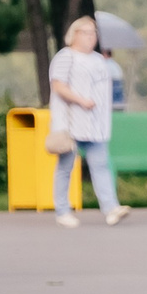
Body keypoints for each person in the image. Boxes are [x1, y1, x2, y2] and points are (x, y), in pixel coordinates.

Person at [48, 15, 124, 227]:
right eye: (87, 33)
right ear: (75, 35)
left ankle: (110, 208)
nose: (92, 37)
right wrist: (81, 100)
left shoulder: (99, 60)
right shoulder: (66, 57)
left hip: (96, 125)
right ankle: (62, 210)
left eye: (94, 33)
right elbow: (58, 86)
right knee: (66, 166)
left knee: (100, 165)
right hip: (71, 124)